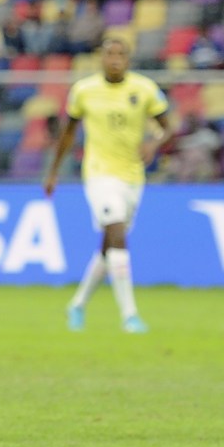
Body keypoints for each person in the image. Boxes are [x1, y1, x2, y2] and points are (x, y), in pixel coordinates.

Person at [44, 38, 171, 333]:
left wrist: (155, 143)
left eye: (120, 54)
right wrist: (53, 172)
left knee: (108, 248)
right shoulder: (84, 91)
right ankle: (130, 315)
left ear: (128, 59)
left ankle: (77, 305)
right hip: (99, 174)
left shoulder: (145, 89)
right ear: (101, 58)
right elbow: (67, 134)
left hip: (133, 176)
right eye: (109, 54)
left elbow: (169, 126)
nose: (114, 59)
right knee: (117, 235)